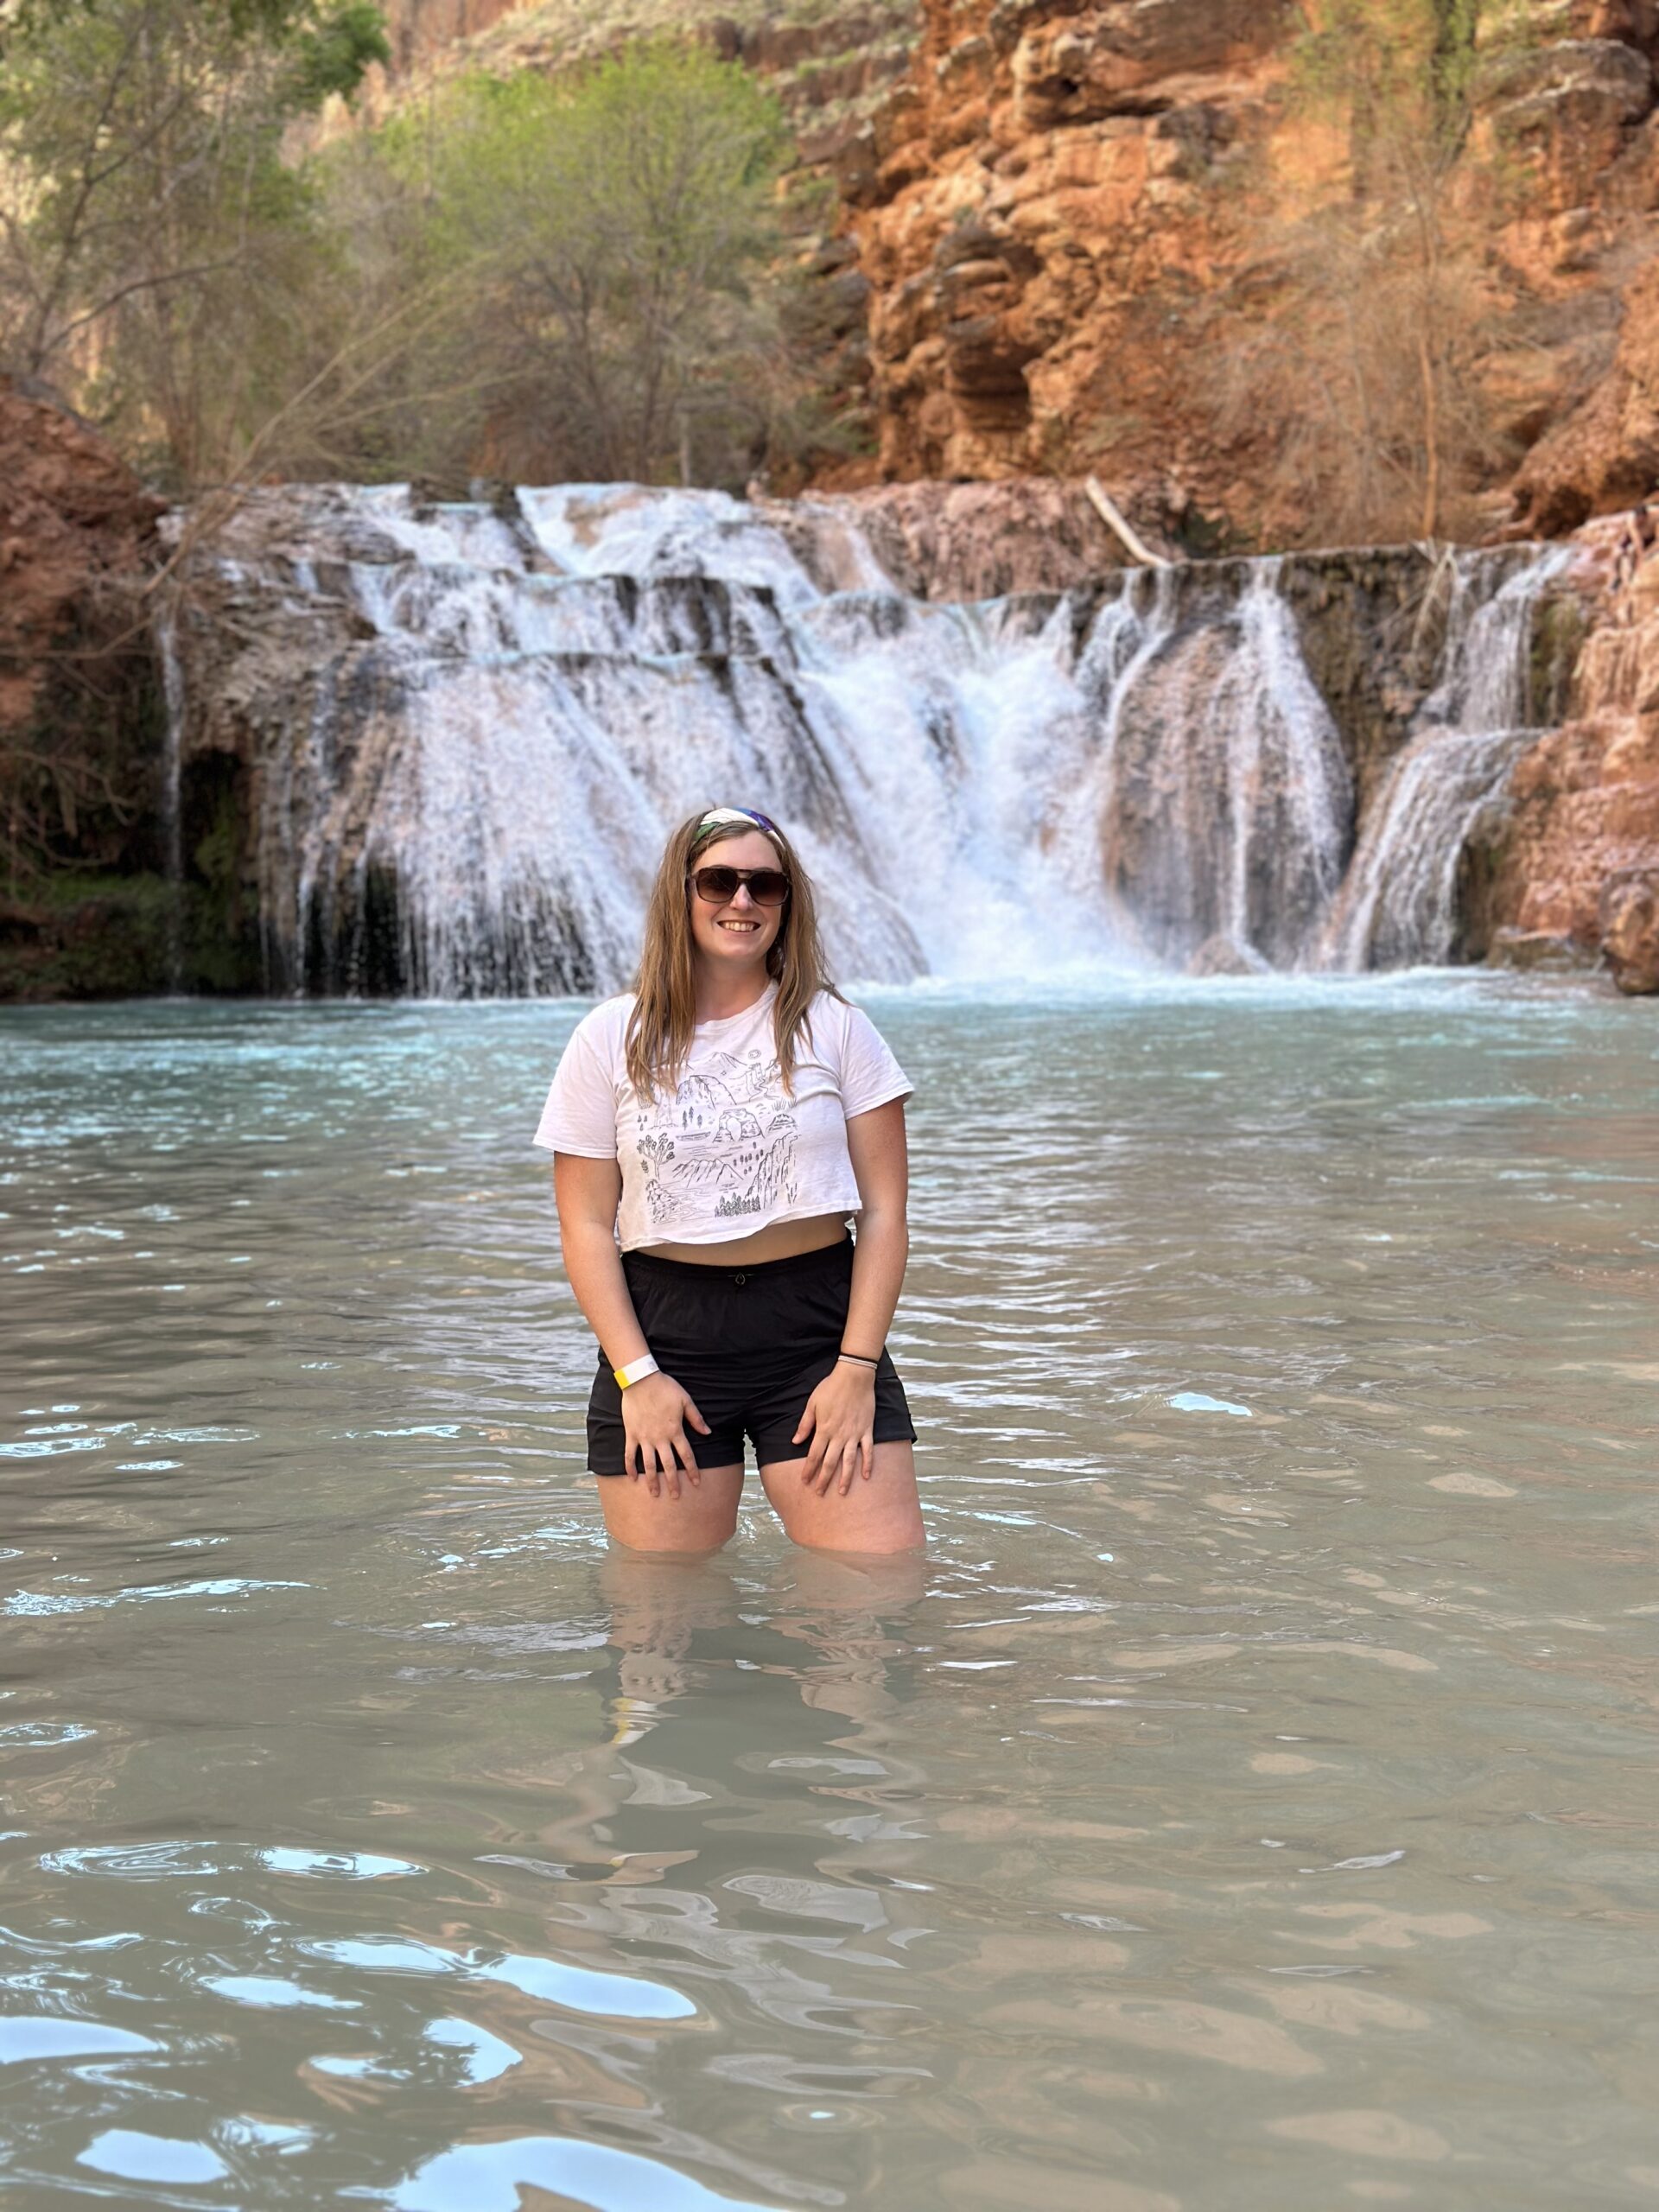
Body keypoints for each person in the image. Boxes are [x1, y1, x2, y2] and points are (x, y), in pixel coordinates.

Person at [537, 805, 925, 1556]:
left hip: (820, 1332)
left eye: (765, 886)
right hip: (664, 1337)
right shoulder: (608, 1037)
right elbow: (585, 1226)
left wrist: (856, 1369)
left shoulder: (836, 1027)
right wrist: (636, 1378)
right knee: (663, 1635)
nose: (742, 902)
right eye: (719, 881)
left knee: (873, 1614)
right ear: (680, 894)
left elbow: (885, 1213)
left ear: (788, 904)